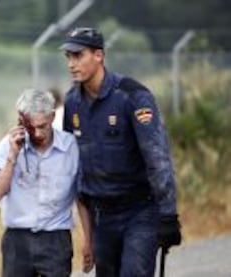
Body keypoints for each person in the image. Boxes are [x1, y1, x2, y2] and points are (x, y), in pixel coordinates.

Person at [59, 27, 182, 277]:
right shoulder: (72, 102)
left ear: (99, 55)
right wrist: (87, 234)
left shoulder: (132, 96)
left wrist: (168, 215)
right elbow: (76, 169)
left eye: (78, 55)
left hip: (140, 211)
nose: (72, 64)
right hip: (102, 216)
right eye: (68, 57)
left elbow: (157, 158)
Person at [0, 88, 93, 277]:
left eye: (42, 126)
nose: (37, 133)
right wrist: (13, 156)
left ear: (52, 116)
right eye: (30, 127)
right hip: (17, 240)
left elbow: (81, 197)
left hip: (55, 240)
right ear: (21, 120)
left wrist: (88, 240)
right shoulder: (7, 146)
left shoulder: (71, 148)